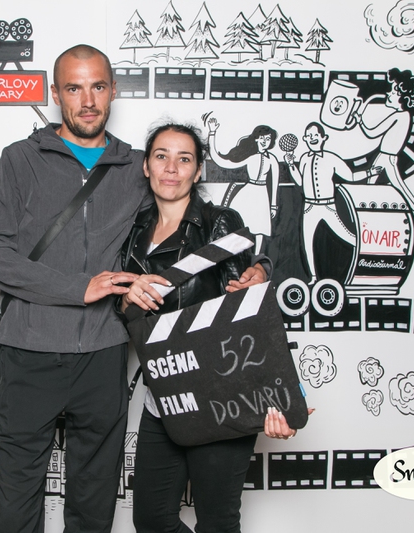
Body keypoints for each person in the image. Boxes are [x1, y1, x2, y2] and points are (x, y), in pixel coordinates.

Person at [0, 44, 147, 533]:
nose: (87, 101)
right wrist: (77, 287)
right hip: (29, 349)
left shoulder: (136, 167)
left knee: (94, 504)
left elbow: (187, 218)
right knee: (16, 504)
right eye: (74, 88)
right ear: (55, 94)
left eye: (97, 87)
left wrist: (254, 263)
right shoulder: (21, 159)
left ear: (113, 91)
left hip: (104, 353)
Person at [120, 123, 300, 533]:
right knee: (151, 520)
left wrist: (282, 396)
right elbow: (122, 306)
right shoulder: (132, 229)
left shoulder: (219, 223)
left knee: (217, 522)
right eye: (161, 156)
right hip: (164, 396)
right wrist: (126, 300)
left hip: (222, 394)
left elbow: (247, 312)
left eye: (184, 159)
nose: (171, 168)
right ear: (146, 166)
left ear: (198, 170)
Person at [285, 121, 381, 284]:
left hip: (328, 206)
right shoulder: (304, 158)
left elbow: (350, 176)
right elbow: (300, 181)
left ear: (323, 138)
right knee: (308, 242)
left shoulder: (331, 158)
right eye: (309, 136)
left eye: (315, 135)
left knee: (347, 236)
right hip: (309, 208)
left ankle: (368, 258)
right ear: (305, 139)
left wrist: (369, 172)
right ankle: (313, 277)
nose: (312, 138)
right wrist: (291, 165)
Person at [356, 68, 414, 225]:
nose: (389, 93)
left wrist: (360, 120)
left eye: (394, 91)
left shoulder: (398, 116)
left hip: (387, 157)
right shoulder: (405, 116)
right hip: (386, 156)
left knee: (383, 186)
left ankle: (368, 216)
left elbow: (372, 133)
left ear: (402, 97)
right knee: (377, 185)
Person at [207, 119, 280, 256]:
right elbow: (221, 161)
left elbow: (274, 182)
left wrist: (273, 205)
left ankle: (256, 258)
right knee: (239, 227)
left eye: (268, 139)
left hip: (262, 195)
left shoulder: (272, 160)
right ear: (256, 139)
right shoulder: (250, 157)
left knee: (260, 230)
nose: (265, 141)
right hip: (248, 193)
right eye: (262, 138)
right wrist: (212, 133)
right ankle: (238, 257)